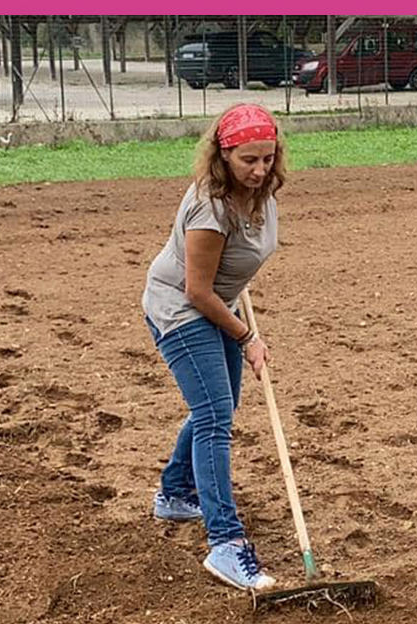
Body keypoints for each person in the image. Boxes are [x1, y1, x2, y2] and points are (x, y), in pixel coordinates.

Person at [142, 104, 284, 589]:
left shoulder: (259, 193)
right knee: (215, 417)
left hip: (216, 304)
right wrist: (248, 336)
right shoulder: (210, 207)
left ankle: (175, 493)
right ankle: (225, 543)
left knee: (216, 407)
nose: (259, 169)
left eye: (267, 158)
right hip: (181, 309)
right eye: (248, 160)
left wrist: (241, 323)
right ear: (223, 155)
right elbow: (197, 291)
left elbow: (230, 274)